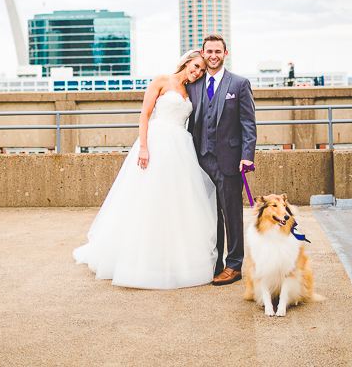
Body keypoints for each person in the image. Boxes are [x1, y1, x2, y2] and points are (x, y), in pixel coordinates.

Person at [73, 50, 218, 289]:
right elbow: (145, 114)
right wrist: (143, 147)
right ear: (187, 61)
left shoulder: (191, 90)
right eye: (196, 66)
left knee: (176, 202)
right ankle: (138, 257)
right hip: (157, 142)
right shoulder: (161, 80)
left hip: (180, 148)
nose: (198, 72)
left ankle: (174, 256)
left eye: (202, 70)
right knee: (147, 197)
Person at [187, 34, 257, 286]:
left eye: (218, 51)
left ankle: (234, 264)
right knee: (209, 214)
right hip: (199, 158)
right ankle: (214, 263)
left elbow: (248, 123)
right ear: (202, 53)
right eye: (209, 52)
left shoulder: (238, 84)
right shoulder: (192, 85)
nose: (213, 56)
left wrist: (247, 156)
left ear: (225, 54)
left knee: (231, 213)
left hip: (229, 159)